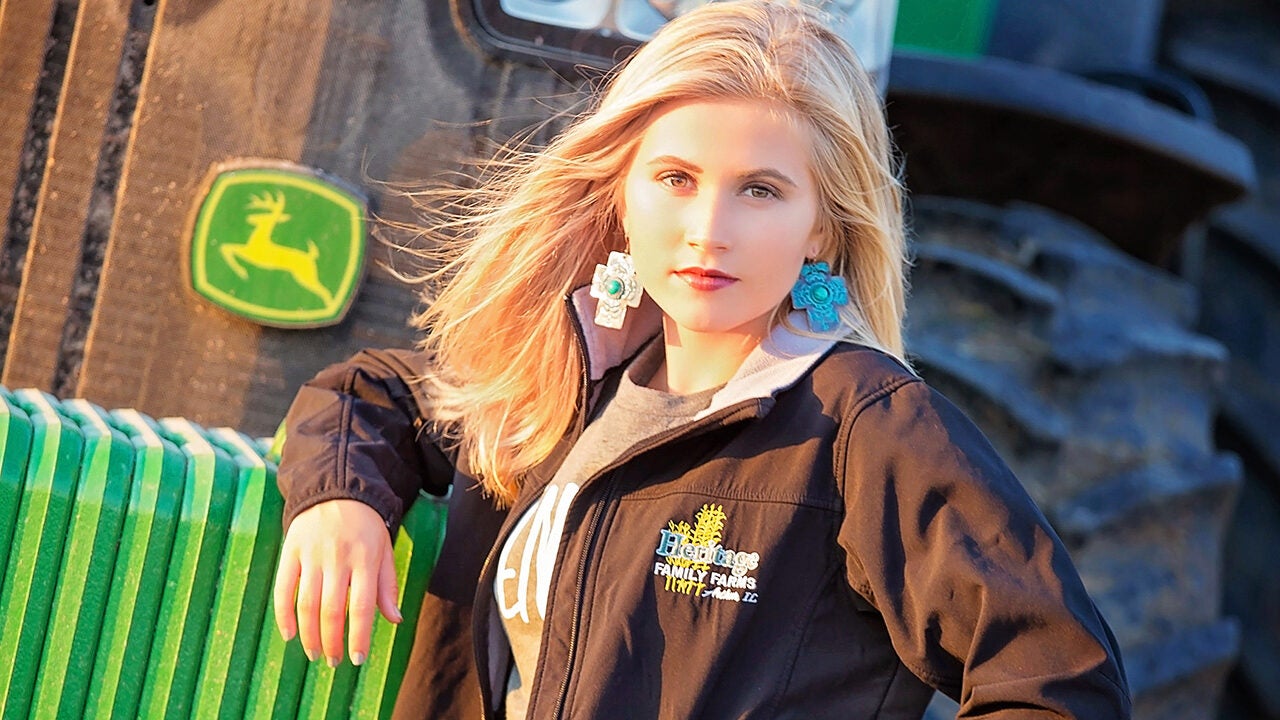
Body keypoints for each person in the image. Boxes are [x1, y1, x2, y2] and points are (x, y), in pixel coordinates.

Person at [272, 1, 1132, 718]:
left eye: (761, 190)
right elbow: (369, 392)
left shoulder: (864, 425)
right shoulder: (563, 379)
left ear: (823, 227)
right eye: (676, 178)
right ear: (620, 189)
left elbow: (1060, 684)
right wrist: (339, 500)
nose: (708, 231)